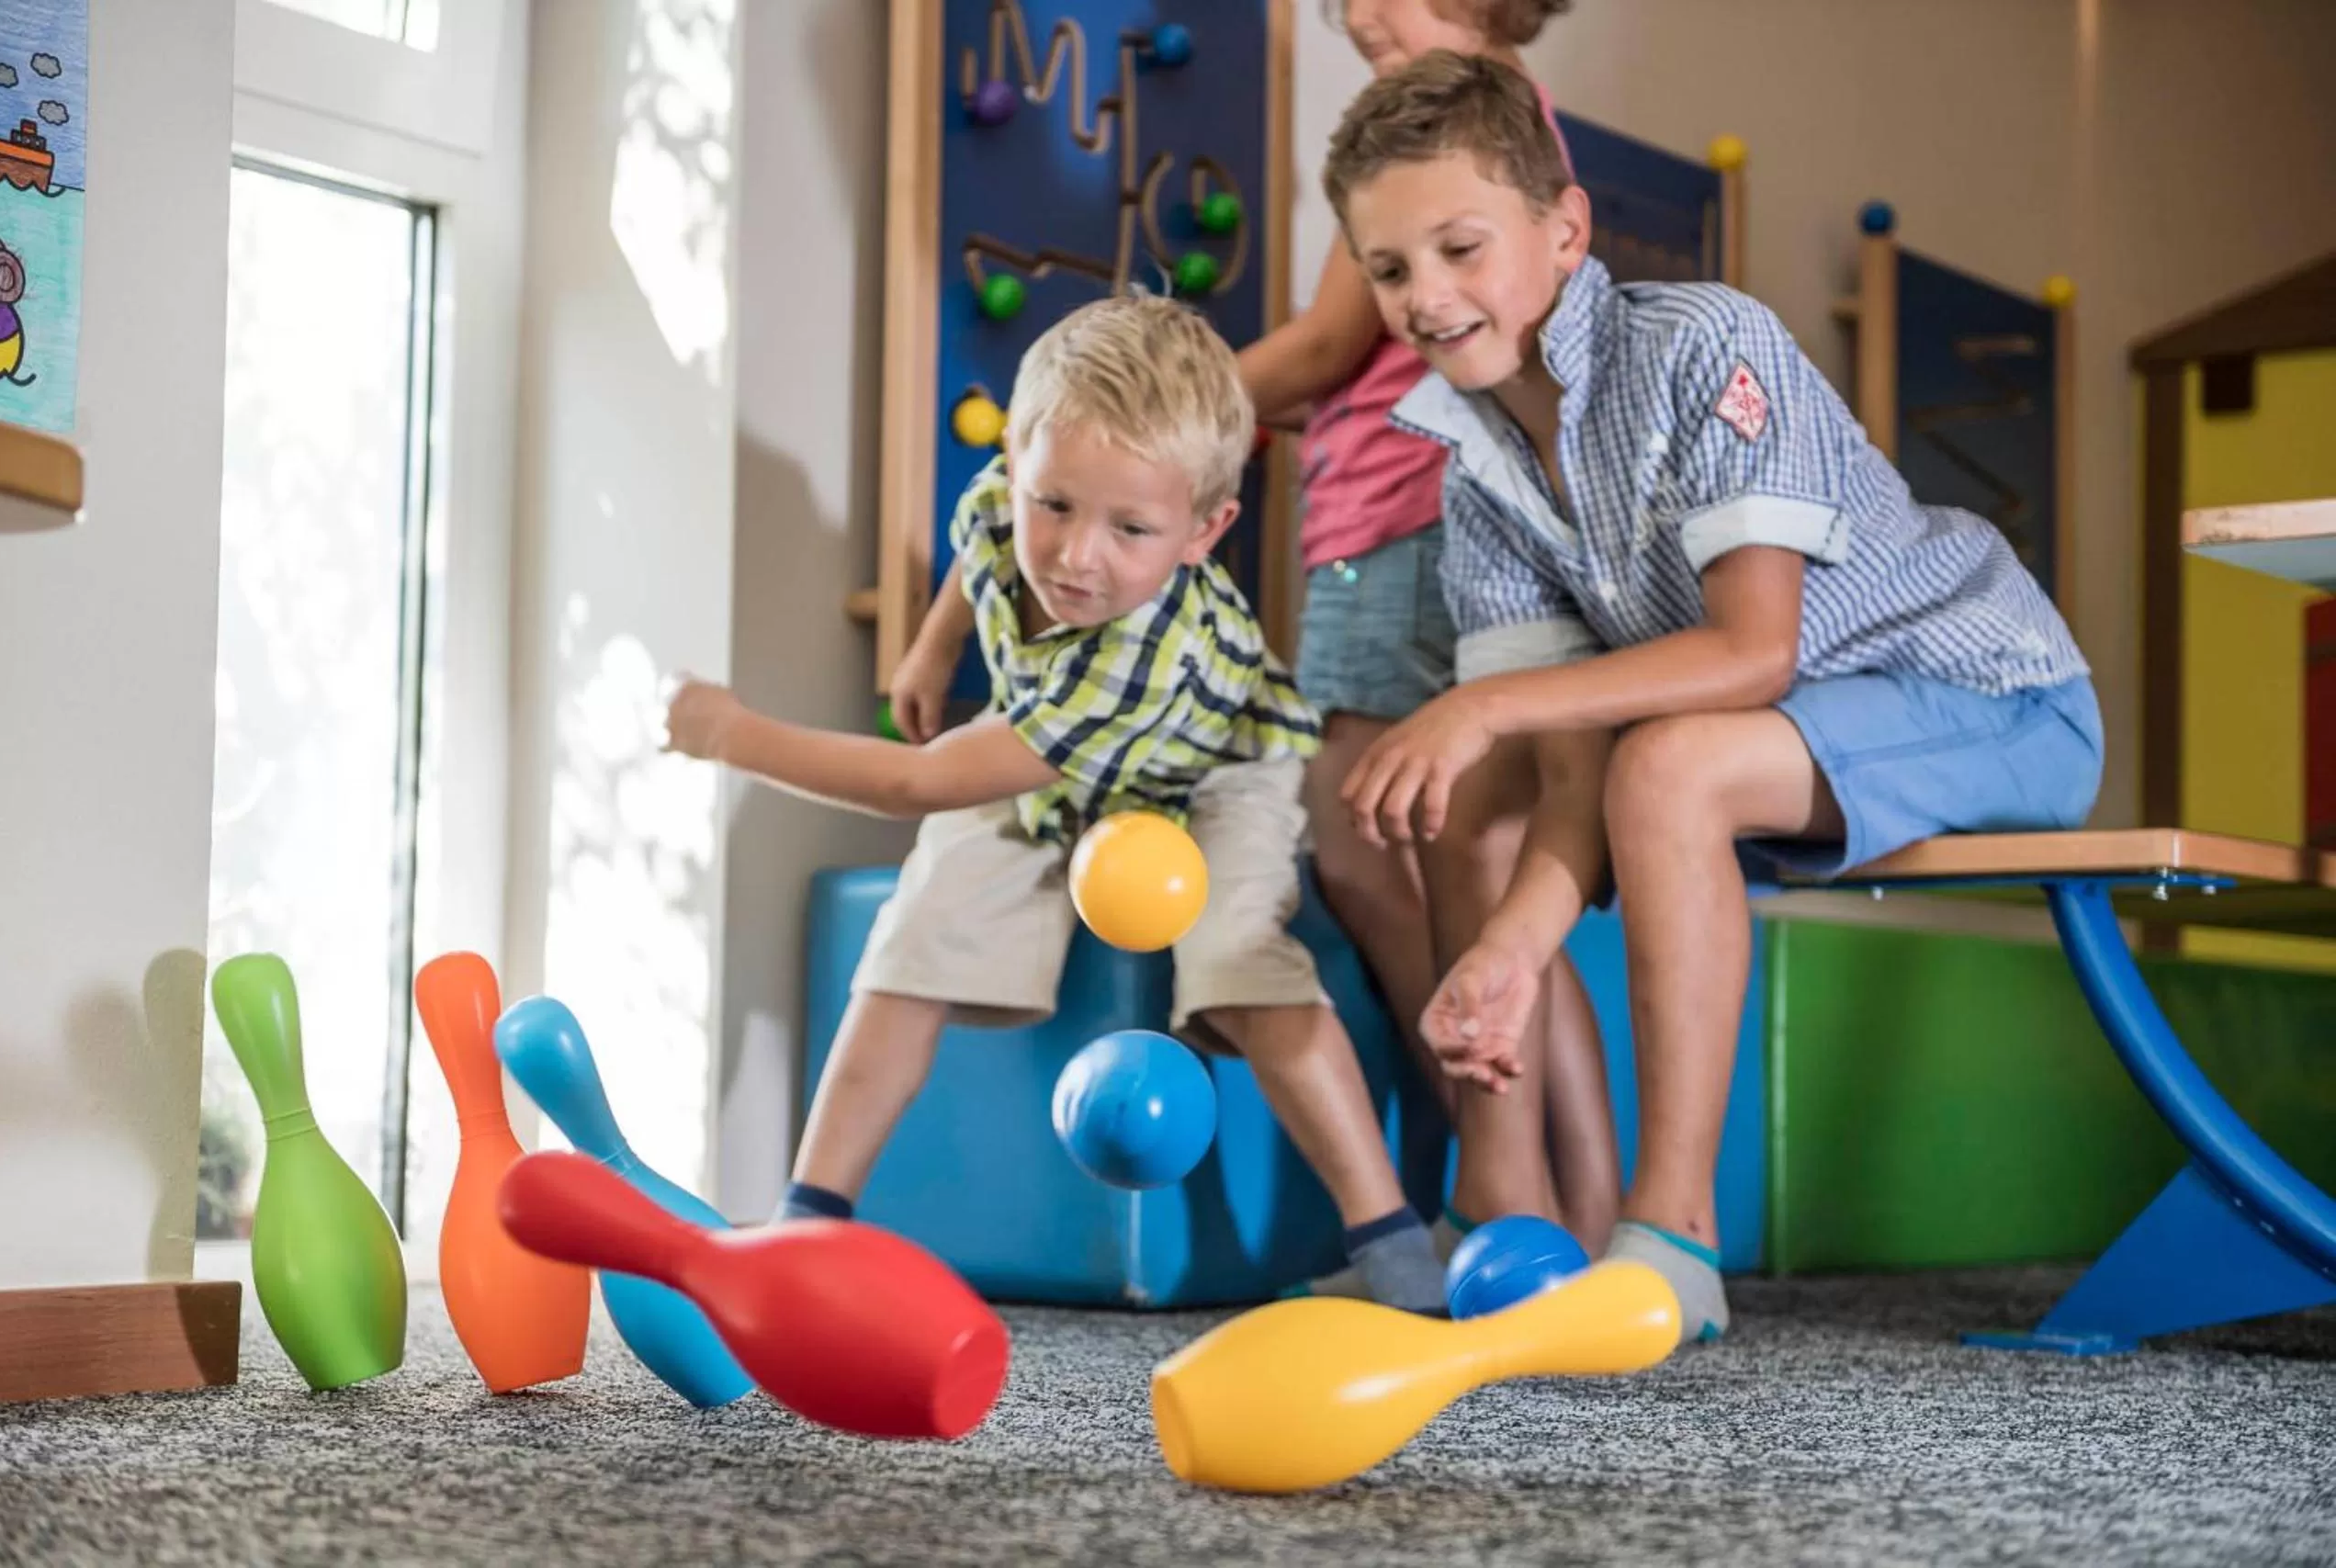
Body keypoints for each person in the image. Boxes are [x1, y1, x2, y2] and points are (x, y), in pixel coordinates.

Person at [1321, 51, 2104, 1339]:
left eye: (1461, 248)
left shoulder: (1701, 346)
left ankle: (1674, 1231)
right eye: (1391, 269)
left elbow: (1754, 652)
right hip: (1794, 737)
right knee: (1494, 795)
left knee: (1663, 762)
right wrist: (1510, 951)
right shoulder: (1471, 466)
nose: (1427, 296)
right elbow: (1565, 752)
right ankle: (1501, 1208)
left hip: (1991, 694)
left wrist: (1485, 710)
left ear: (1563, 229)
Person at [663, 292, 1448, 1313]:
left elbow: (920, 780)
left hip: (1213, 769)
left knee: (1237, 956)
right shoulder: (1013, 495)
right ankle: (809, 1219)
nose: (1078, 555)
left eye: (1131, 528)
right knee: (915, 933)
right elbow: (983, 529)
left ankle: (1386, 1236)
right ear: (1026, 465)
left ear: (1206, 529)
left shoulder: (1136, 652)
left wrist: (731, 735)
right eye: (1056, 506)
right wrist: (934, 643)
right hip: (1053, 753)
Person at [1237, 0, 1619, 1272]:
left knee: (1357, 834)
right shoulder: (1478, 111)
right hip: (1405, 512)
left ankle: (1504, 1179)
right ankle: (1566, 1205)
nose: (1352, 13)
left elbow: (1326, 344)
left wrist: (1144, 399)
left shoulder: (1445, 114)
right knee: (1476, 861)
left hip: (1397, 525)